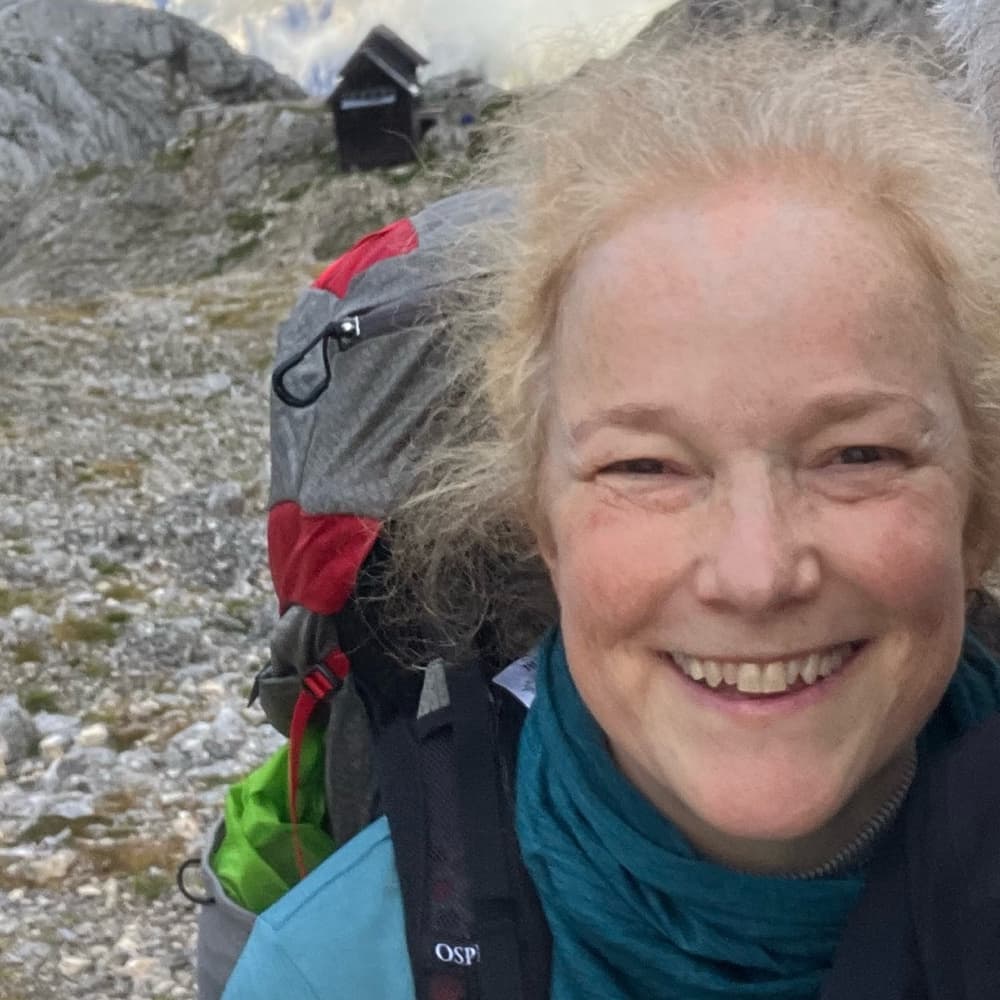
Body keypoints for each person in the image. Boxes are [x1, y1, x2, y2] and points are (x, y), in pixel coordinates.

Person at [220, 26, 1000, 999]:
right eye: (646, 466)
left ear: (978, 512)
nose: (756, 573)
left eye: (858, 455)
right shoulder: (330, 974)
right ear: (540, 524)